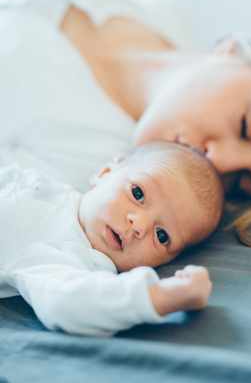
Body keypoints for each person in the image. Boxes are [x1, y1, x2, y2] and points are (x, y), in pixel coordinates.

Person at [0, 0, 251, 250]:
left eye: (239, 183)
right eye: (246, 127)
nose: (219, 162)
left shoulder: (106, 179)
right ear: (232, 50)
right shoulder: (166, 13)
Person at [0, 141, 224, 336]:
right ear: (105, 172)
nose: (140, 225)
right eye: (138, 194)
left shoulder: (81, 260)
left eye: (162, 236)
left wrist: (160, 297)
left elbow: (70, 302)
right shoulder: (59, 189)